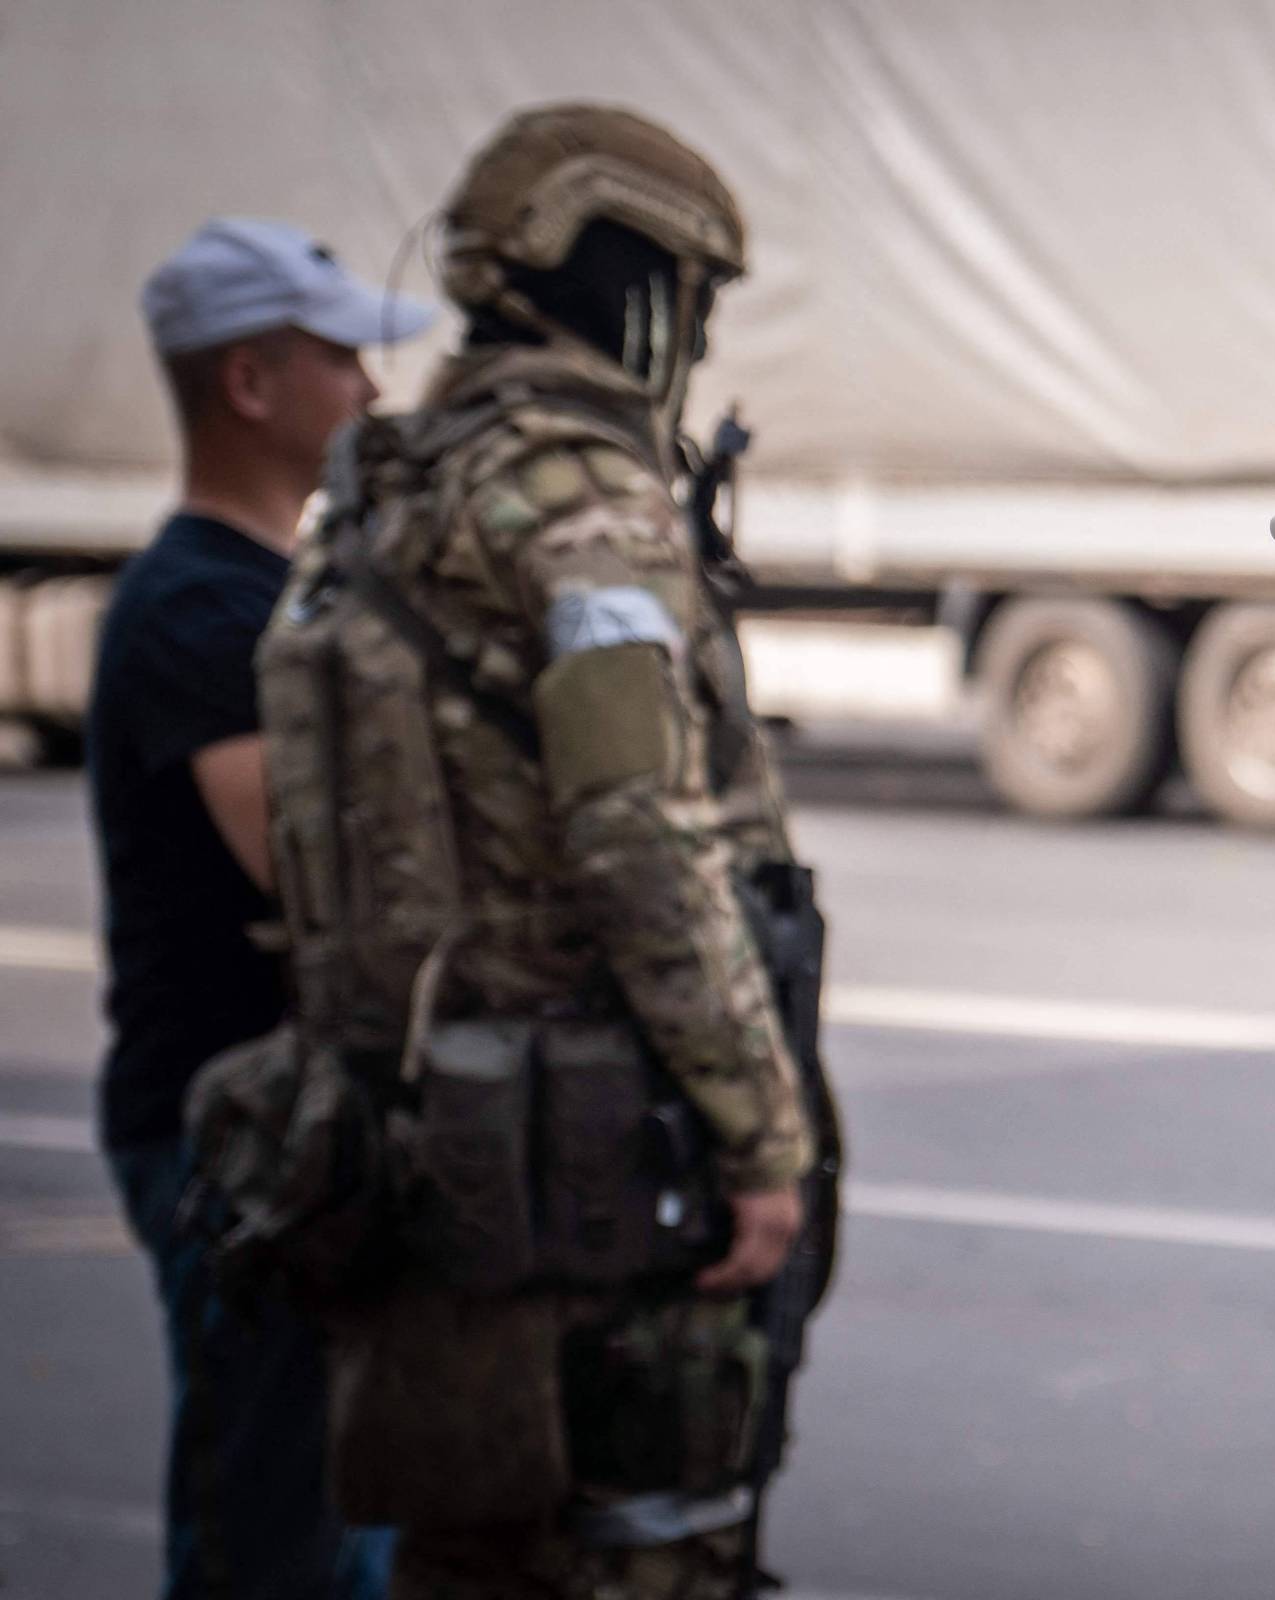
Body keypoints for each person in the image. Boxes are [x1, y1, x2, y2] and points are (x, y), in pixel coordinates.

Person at [249, 104, 837, 1598]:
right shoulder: (582, 507)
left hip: (426, 1151)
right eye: (683, 299)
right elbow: (642, 841)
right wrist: (763, 1134)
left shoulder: (379, 493)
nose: (687, 345)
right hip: (595, 1167)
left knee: (473, 1552)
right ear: (623, 280)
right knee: (637, 1546)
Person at [91, 218, 430, 1598]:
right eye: (342, 358)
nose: (370, 389)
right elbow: (312, 873)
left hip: (296, 1136)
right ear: (249, 383)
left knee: (341, 1526)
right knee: (272, 1548)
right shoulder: (194, 610)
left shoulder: (270, 592)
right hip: (229, 1141)